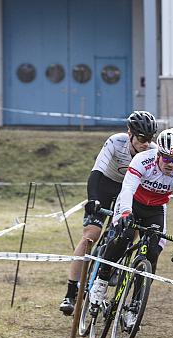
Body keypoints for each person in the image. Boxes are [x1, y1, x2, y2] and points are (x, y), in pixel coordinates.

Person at [88, 128, 173, 328]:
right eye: (166, 158)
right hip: (132, 202)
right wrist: (126, 214)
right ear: (159, 153)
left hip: (155, 208)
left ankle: (135, 305)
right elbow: (127, 187)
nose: (170, 164)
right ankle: (101, 282)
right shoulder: (143, 160)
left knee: (153, 251)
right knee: (124, 235)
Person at [58, 111, 157, 315]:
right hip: (105, 186)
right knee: (90, 236)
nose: (146, 144)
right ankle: (70, 291)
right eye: (141, 139)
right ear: (130, 133)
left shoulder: (152, 152)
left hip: (129, 192)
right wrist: (93, 199)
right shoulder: (115, 142)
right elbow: (96, 172)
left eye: (150, 139)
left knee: (132, 229)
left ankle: (114, 263)